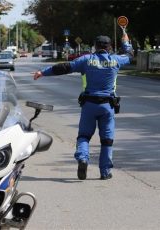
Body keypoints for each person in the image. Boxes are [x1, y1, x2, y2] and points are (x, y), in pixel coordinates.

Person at [33, 32, 133, 180]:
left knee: (84, 136)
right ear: (109, 47)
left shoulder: (87, 60)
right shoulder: (115, 60)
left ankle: (83, 158)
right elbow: (129, 55)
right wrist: (126, 42)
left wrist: (43, 72)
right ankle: (105, 172)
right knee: (107, 140)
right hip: (107, 106)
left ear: (95, 46)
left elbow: (65, 67)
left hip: (89, 105)